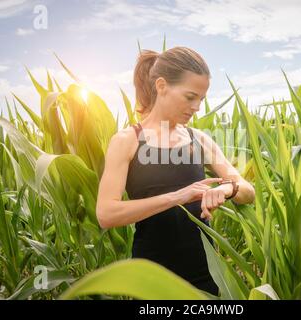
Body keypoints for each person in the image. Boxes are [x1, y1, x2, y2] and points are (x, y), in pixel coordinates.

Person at [96, 46, 255, 296]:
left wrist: (226, 189)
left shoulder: (198, 139)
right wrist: (178, 197)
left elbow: (248, 191)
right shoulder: (127, 141)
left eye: (201, 99)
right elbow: (106, 213)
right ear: (161, 86)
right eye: (190, 97)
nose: (197, 107)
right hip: (151, 277)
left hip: (206, 275)